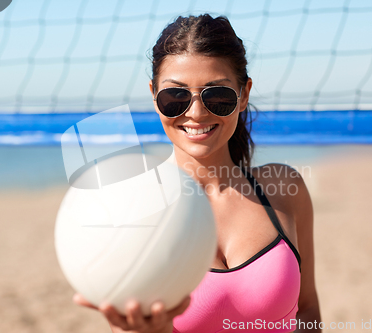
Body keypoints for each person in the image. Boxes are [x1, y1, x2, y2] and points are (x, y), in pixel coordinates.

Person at [74, 14, 321, 333]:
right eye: (175, 97)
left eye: (217, 96)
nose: (196, 113)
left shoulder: (284, 188)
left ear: (244, 94)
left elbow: (308, 309)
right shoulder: (132, 208)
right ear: (153, 95)